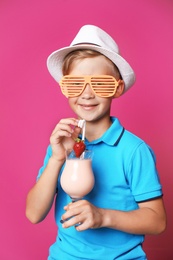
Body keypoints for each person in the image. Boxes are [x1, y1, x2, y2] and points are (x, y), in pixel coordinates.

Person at [26, 25, 166, 260]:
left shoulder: (134, 151)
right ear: (66, 89)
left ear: (117, 89)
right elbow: (33, 214)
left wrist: (103, 216)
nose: (87, 94)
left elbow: (157, 221)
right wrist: (57, 158)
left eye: (100, 84)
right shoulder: (61, 146)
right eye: (75, 84)